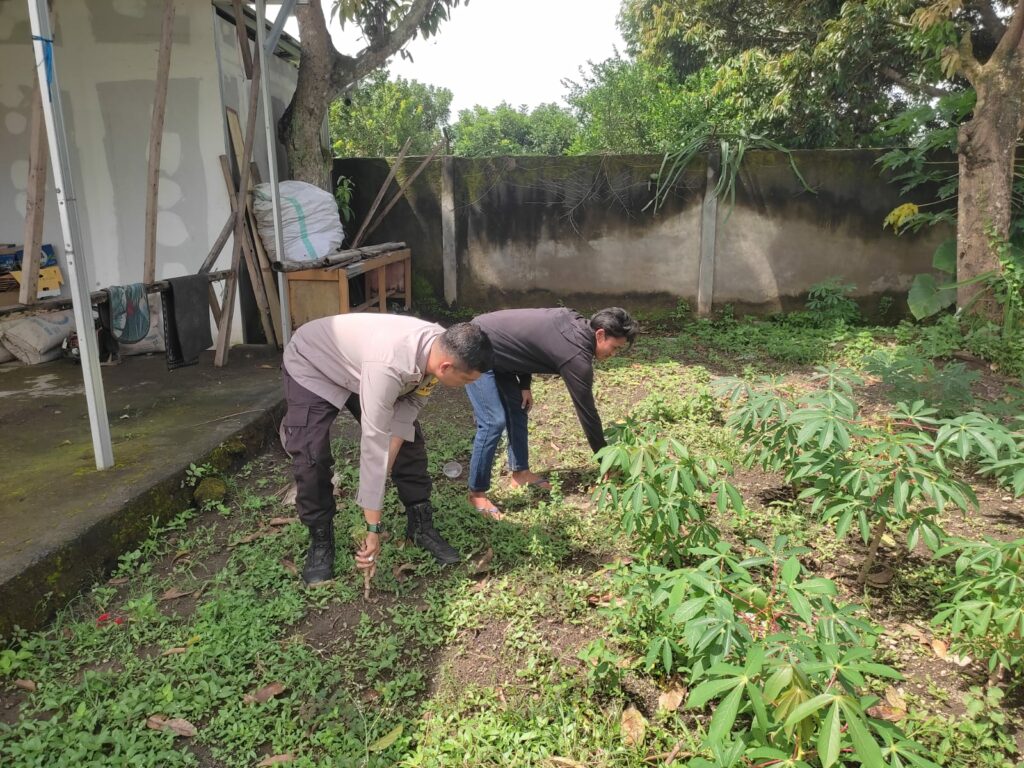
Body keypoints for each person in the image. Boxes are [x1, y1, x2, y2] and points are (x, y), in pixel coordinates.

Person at [281, 313, 493, 585]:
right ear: (446, 367)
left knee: (409, 442)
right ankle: (320, 539)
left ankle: (420, 525)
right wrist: (373, 527)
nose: (468, 387)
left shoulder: (440, 347)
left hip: (363, 365)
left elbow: (407, 411)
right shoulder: (390, 365)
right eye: (467, 381)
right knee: (311, 455)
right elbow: (373, 441)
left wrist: (388, 461)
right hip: (314, 363)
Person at [466, 307, 638, 518]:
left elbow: (529, 342)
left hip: (502, 353)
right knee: (493, 422)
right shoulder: (576, 356)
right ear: (600, 334)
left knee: (518, 409)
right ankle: (476, 493)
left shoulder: (573, 320)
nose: (613, 354)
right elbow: (588, 415)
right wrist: (606, 462)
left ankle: (520, 473)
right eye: (614, 348)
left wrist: (524, 384)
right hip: (475, 345)